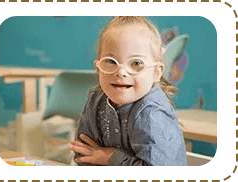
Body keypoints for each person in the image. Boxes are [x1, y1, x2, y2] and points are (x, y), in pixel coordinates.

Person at [69, 16, 187, 166]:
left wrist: (110, 157)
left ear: (156, 72)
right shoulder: (95, 101)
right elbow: (84, 155)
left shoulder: (152, 114)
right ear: (98, 68)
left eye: (136, 63)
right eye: (111, 62)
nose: (121, 72)